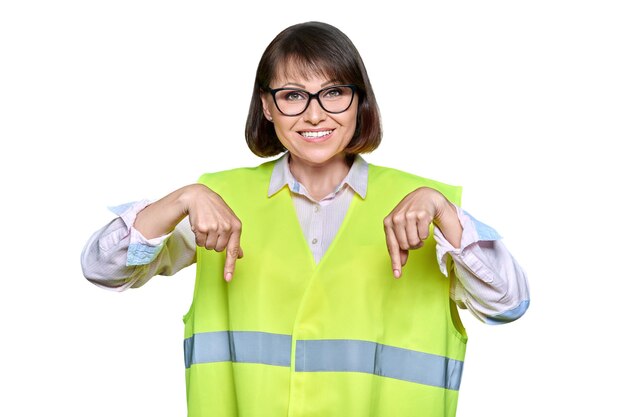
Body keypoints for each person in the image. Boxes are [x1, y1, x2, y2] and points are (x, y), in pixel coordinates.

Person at [82, 21, 529, 417]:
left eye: (334, 92)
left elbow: (508, 305)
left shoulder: (425, 208)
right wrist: (180, 198)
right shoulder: (217, 203)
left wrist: (445, 214)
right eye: (292, 95)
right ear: (267, 106)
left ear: (360, 102)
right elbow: (103, 270)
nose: (315, 113)